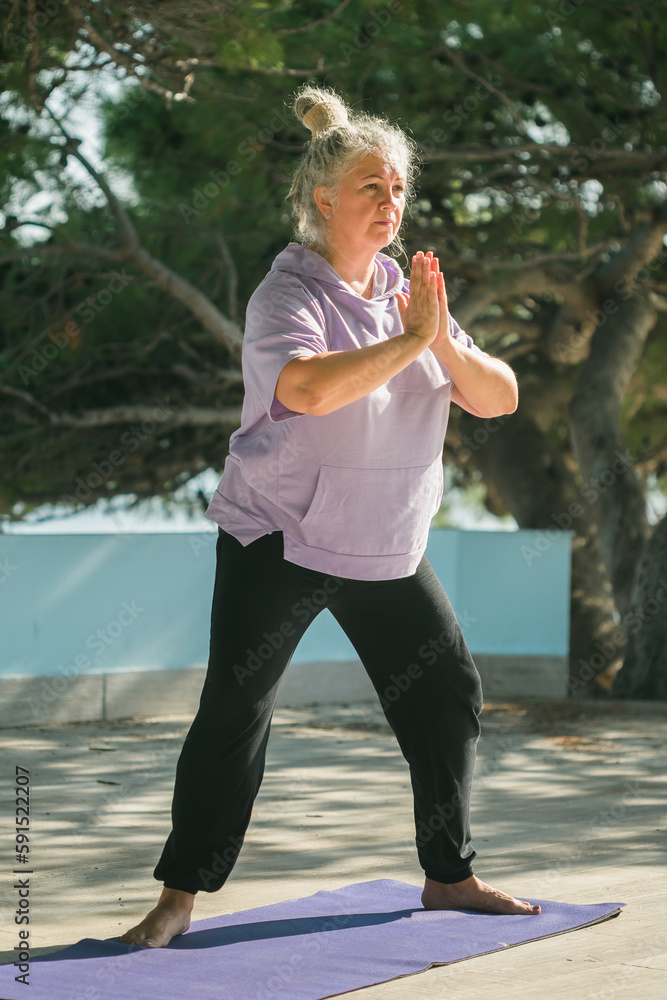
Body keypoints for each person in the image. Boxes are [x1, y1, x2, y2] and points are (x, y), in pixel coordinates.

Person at [120, 84, 539, 949]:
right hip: (282, 533)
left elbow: (497, 399)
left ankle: (448, 875)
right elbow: (306, 390)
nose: (390, 204)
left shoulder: (410, 294)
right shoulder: (288, 295)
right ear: (322, 198)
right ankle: (177, 898)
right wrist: (410, 344)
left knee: (445, 693)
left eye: (397, 189)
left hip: (382, 544)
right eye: (370, 189)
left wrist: (441, 338)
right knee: (236, 708)